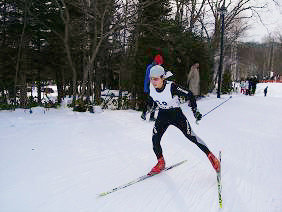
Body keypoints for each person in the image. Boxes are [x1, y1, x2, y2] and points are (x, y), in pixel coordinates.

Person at [147, 65, 220, 176]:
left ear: (163, 78)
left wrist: (195, 110)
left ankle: (211, 156)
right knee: (155, 139)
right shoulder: (151, 86)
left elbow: (189, 94)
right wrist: (148, 107)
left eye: (156, 79)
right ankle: (160, 162)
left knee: (191, 136)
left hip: (176, 114)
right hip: (162, 114)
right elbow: (152, 97)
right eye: (151, 78)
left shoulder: (172, 87)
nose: (153, 81)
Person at [141, 54, 164, 121]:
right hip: (150, 87)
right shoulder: (151, 68)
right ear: (157, 62)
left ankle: (148, 115)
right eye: (160, 63)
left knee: (153, 101)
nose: (160, 64)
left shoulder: (153, 67)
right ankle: (145, 114)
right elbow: (149, 78)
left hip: (153, 86)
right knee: (151, 101)